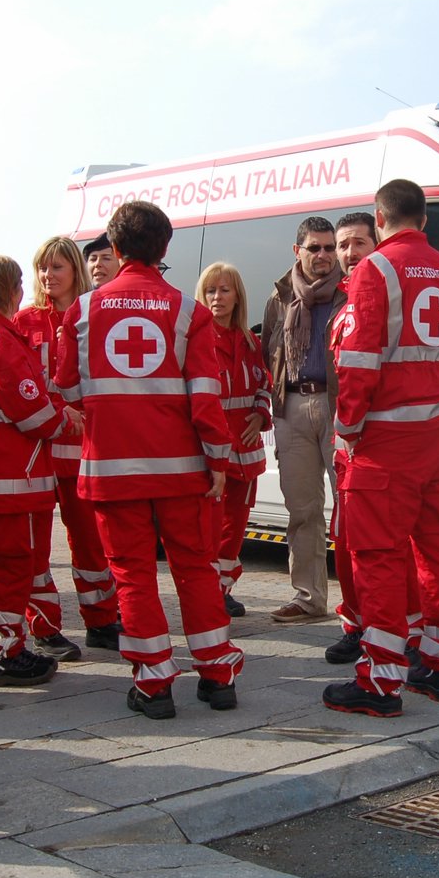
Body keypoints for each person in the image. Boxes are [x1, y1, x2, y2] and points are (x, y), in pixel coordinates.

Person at [54, 200, 242, 720]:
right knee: (196, 569)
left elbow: (66, 387)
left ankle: (155, 685)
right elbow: (206, 399)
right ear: (164, 249)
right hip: (183, 471)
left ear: (114, 250)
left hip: (112, 470)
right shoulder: (189, 312)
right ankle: (218, 676)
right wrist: (219, 461)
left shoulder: (83, 311)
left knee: (133, 576)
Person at [324, 179, 439, 717]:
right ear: (425, 220)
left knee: (378, 557)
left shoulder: (375, 271)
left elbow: (359, 363)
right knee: (437, 548)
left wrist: (348, 429)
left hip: (384, 444)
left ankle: (380, 681)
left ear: (378, 218)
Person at [0, 254, 81, 687]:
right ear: (7, 289)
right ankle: (4, 650)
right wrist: (68, 419)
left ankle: (8, 643)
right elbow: (32, 412)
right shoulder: (0, 340)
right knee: (12, 562)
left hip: (3, 469)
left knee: (13, 561)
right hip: (10, 470)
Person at [13, 236, 119, 657]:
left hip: (81, 448)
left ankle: (101, 619)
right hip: (36, 452)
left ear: (74, 269)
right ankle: (44, 627)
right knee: (36, 546)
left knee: (91, 541)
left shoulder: (91, 315)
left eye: (57, 267)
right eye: (42, 268)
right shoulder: (23, 321)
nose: (48, 276)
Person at [261, 216, 342, 623]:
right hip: (292, 406)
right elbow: (266, 355)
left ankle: (361, 601)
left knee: (352, 505)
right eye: (315, 248)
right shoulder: (279, 297)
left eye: (330, 247)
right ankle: (309, 598)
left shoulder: (349, 292)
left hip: (338, 405)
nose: (325, 255)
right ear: (298, 251)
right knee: (302, 509)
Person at [323, 212, 390, 666]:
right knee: (344, 539)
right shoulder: (344, 300)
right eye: (342, 244)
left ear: (377, 242)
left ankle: (385, 633)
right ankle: (355, 624)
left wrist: (348, 431)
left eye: (358, 242)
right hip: (347, 441)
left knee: (376, 546)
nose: (348, 253)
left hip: (372, 442)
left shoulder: (378, 295)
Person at [196, 262, 271, 618]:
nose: (216, 297)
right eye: (210, 290)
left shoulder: (250, 341)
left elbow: (261, 385)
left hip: (245, 452)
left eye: (224, 290)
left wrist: (261, 414)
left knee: (235, 529)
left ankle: (223, 589)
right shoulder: (197, 340)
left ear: (237, 295)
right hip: (212, 452)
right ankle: (207, 592)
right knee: (209, 528)